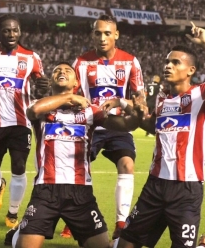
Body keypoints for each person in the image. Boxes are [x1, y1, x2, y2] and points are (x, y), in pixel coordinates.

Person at [111, 22, 205, 248]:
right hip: (155, 185)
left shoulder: (203, 93)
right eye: (167, 61)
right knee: (125, 244)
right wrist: (130, 108)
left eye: (175, 62)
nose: (167, 66)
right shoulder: (162, 98)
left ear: (190, 70)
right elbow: (155, 127)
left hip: (186, 189)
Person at [12, 62, 141, 248]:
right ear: (51, 82)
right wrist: (69, 97)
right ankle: (21, 232)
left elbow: (126, 126)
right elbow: (33, 111)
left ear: (76, 82)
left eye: (67, 71)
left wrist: (132, 109)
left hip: (80, 193)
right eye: (57, 70)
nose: (62, 72)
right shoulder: (41, 106)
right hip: (46, 190)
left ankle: (23, 230)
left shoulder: (90, 110)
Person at [61, 14, 146, 240]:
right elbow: (71, 95)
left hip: (119, 125)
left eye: (107, 33)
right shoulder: (81, 62)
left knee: (127, 165)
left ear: (116, 35)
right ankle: (74, 218)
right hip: (89, 125)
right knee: (77, 169)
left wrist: (130, 104)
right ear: (92, 34)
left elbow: (140, 98)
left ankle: (121, 223)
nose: (102, 37)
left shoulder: (130, 62)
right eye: (97, 33)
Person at [0, 14, 49, 228]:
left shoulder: (32, 57)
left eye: (15, 30)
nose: (11, 34)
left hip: (21, 122)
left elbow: (42, 85)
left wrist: (44, 88)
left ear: (20, 32)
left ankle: (13, 212)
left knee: (19, 166)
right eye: (6, 30)